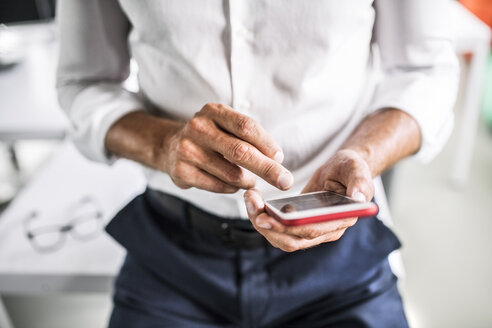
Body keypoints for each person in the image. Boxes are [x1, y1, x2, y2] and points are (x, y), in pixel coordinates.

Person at [56, 1, 458, 327]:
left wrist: (363, 155)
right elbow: (85, 83)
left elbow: (424, 72)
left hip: (339, 254)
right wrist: (165, 143)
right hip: (173, 255)